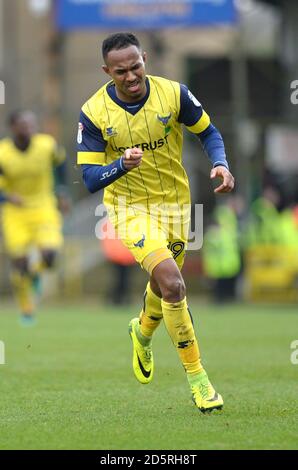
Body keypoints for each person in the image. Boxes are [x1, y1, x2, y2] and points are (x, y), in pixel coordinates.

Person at [77, 32, 234, 412]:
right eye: (121, 72)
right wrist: (120, 165)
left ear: (144, 59)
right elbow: (88, 179)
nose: (131, 77)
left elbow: (208, 132)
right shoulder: (94, 112)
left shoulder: (174, 94)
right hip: (129, 208)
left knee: (164, 287)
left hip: (177, 207)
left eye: (136, 67)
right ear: (107, 71)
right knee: (174, 284)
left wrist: (220, 163)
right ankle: (199, 381)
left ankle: (142, 332)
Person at [0, 110, 68, 324]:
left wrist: (63, 192)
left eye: (31, 124)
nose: (28, 128)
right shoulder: (3, 154)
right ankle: (26, 307)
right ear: (13, 127)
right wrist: (7, 197)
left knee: (49, 256)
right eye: (23, 125)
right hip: (16, 213)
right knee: (19, 264)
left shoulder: (47, 145)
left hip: (43, 206)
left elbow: (61, 164)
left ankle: (35, 272)